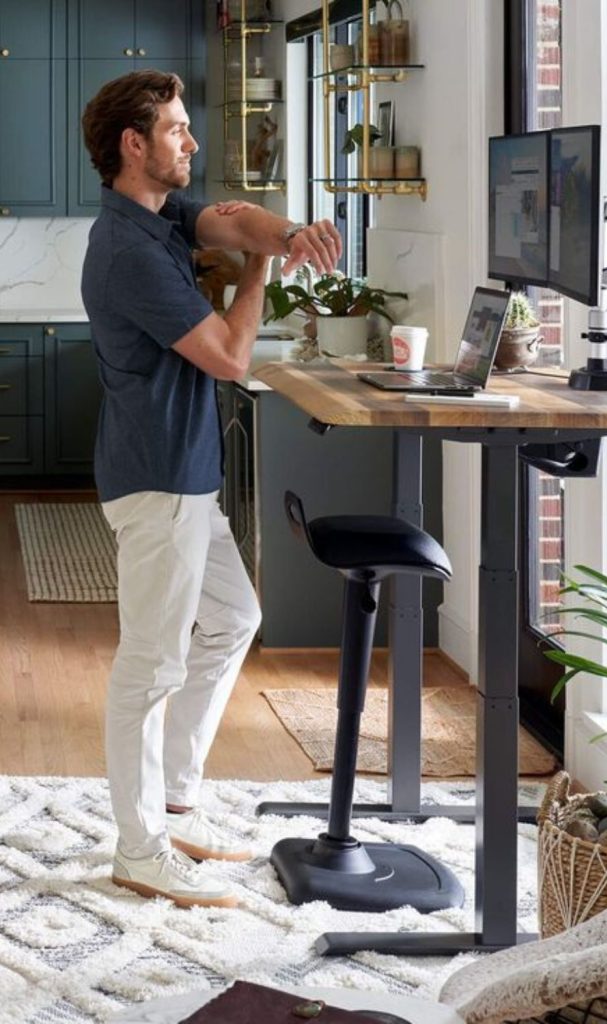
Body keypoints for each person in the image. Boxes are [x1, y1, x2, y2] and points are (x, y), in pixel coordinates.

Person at [80, 69, 342, 909]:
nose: (191, 142)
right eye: (178, 130)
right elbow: (230, 357)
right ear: (135, 144)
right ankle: (138, 849)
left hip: (186, 474)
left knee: (234, 617)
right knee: (148, 664)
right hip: (155, 482)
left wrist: (287, 232)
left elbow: (234, 219)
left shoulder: (160, 216)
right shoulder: (126, 248)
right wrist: (258, 273)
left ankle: (173, 798)